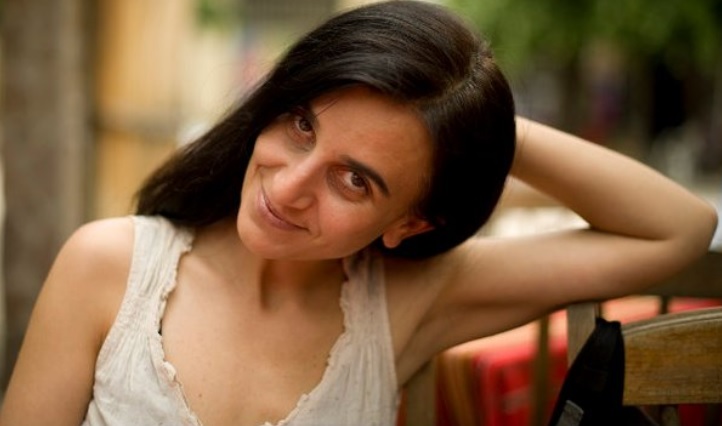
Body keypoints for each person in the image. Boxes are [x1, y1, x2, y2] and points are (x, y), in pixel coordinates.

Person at [0, 1, 717, 425]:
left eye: (354, 180)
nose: (287, 187)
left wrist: (468, 120)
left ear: (410, 222)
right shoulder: (109, 267)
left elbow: (676, 229)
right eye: (301, 125)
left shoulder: (405, 303)